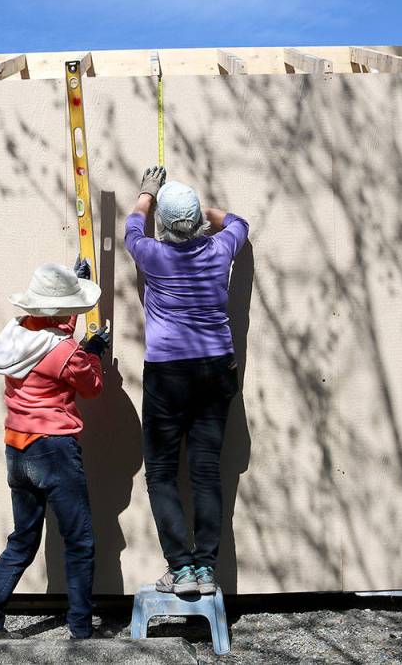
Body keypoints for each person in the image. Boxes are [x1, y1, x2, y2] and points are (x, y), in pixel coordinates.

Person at [0, 260, 111, 640]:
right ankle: (81, 631)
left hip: (17, 447)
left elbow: (52, 329)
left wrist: (75, 284)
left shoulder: (16, 333)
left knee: (22, 540)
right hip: (54, 451)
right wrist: (93, 351)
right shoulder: (64, 353)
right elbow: (92, 385)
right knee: (79, 540)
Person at [124, 166, 249, 596]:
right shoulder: (219, 250)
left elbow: (131, 229)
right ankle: (205, 569)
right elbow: (239, 224)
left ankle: (179, 569)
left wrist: (147, 194)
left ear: (163, 226)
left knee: (160, 472)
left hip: (169, 373)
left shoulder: (152, 254)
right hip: (216, 369)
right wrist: (202, 215)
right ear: (195, 223)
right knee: (206, 471)